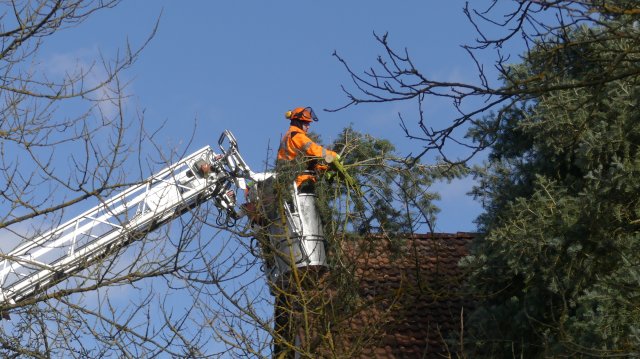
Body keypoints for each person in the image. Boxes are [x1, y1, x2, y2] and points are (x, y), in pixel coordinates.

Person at [276, 106, 338, 191]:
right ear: (298, 122)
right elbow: (314, 150)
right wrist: (333, 156)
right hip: (299, 181)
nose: (308, 126)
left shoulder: (289, 135)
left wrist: (325, 168)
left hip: (291, 179)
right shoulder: (296, 136)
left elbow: (307, 160)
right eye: (306, 123)